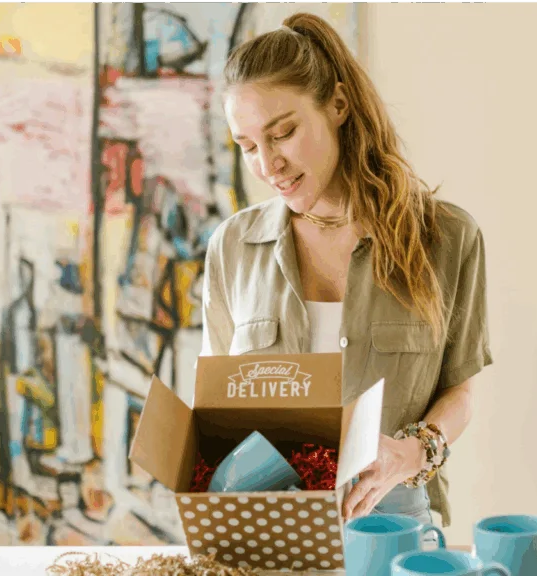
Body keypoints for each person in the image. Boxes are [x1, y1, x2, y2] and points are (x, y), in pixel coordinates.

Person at [198, 12, 491, 530]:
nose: (268, 165)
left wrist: (413, 452)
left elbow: (460, 392)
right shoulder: (233, 247)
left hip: (395, 536)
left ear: (337, 104)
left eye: (282, 133)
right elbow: (217, 408)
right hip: (271, 542)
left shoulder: (448, 238)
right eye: (247, 147)